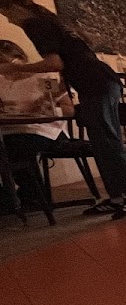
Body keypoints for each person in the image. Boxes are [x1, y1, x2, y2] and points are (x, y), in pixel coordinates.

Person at [0, 0, 126, 219]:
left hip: (96, 84)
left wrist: (16, 68)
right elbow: (70, 62)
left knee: (107, 140)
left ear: (15, 8)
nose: (9, 21)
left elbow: (55, 63)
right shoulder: (51, 22)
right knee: (101, 142)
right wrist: (55, 93)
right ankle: (118, 198)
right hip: (98, 82)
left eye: (6, 14)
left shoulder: (35, 25)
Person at [0, 39, 71, 206]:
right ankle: (11, 195)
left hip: (43, 129)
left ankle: (33, 193)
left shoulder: (44, 77)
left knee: (15, 146)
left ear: (20, 59)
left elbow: (69, 108)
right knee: (6, 145)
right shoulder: (2, 82)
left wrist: (47, 108)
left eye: (5, 63)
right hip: (11, 129)